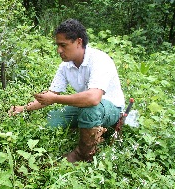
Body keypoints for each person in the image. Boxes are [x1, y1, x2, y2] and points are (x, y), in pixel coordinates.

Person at [8, 19, 125, 163]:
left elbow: (93, 98)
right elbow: (50, 96)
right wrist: (23, 108)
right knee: (51, 120)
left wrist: (55, 99)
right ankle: (91, 131)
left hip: (111, 108)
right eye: (57, 45)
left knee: (90, 110)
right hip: (85, 105)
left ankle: (83, 155)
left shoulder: (99, 60)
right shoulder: (65, 66)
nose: (59, 50)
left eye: (63, 45)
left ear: (78, 42)